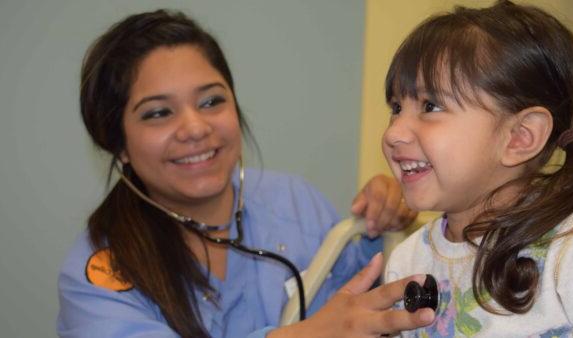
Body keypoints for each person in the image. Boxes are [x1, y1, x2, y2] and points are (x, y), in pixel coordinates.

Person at [57, 9, 435, 338]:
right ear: (117, 142)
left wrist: (382, 222)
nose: (195, 127)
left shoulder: (295, 203)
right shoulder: (98, 278)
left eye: (211, 101)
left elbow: (372, 301)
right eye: (158, 112)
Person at [381, 1, 573, 336]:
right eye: (396, 107)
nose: (393, 133)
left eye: (430, 105)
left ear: (519, 138)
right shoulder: (407, 261)